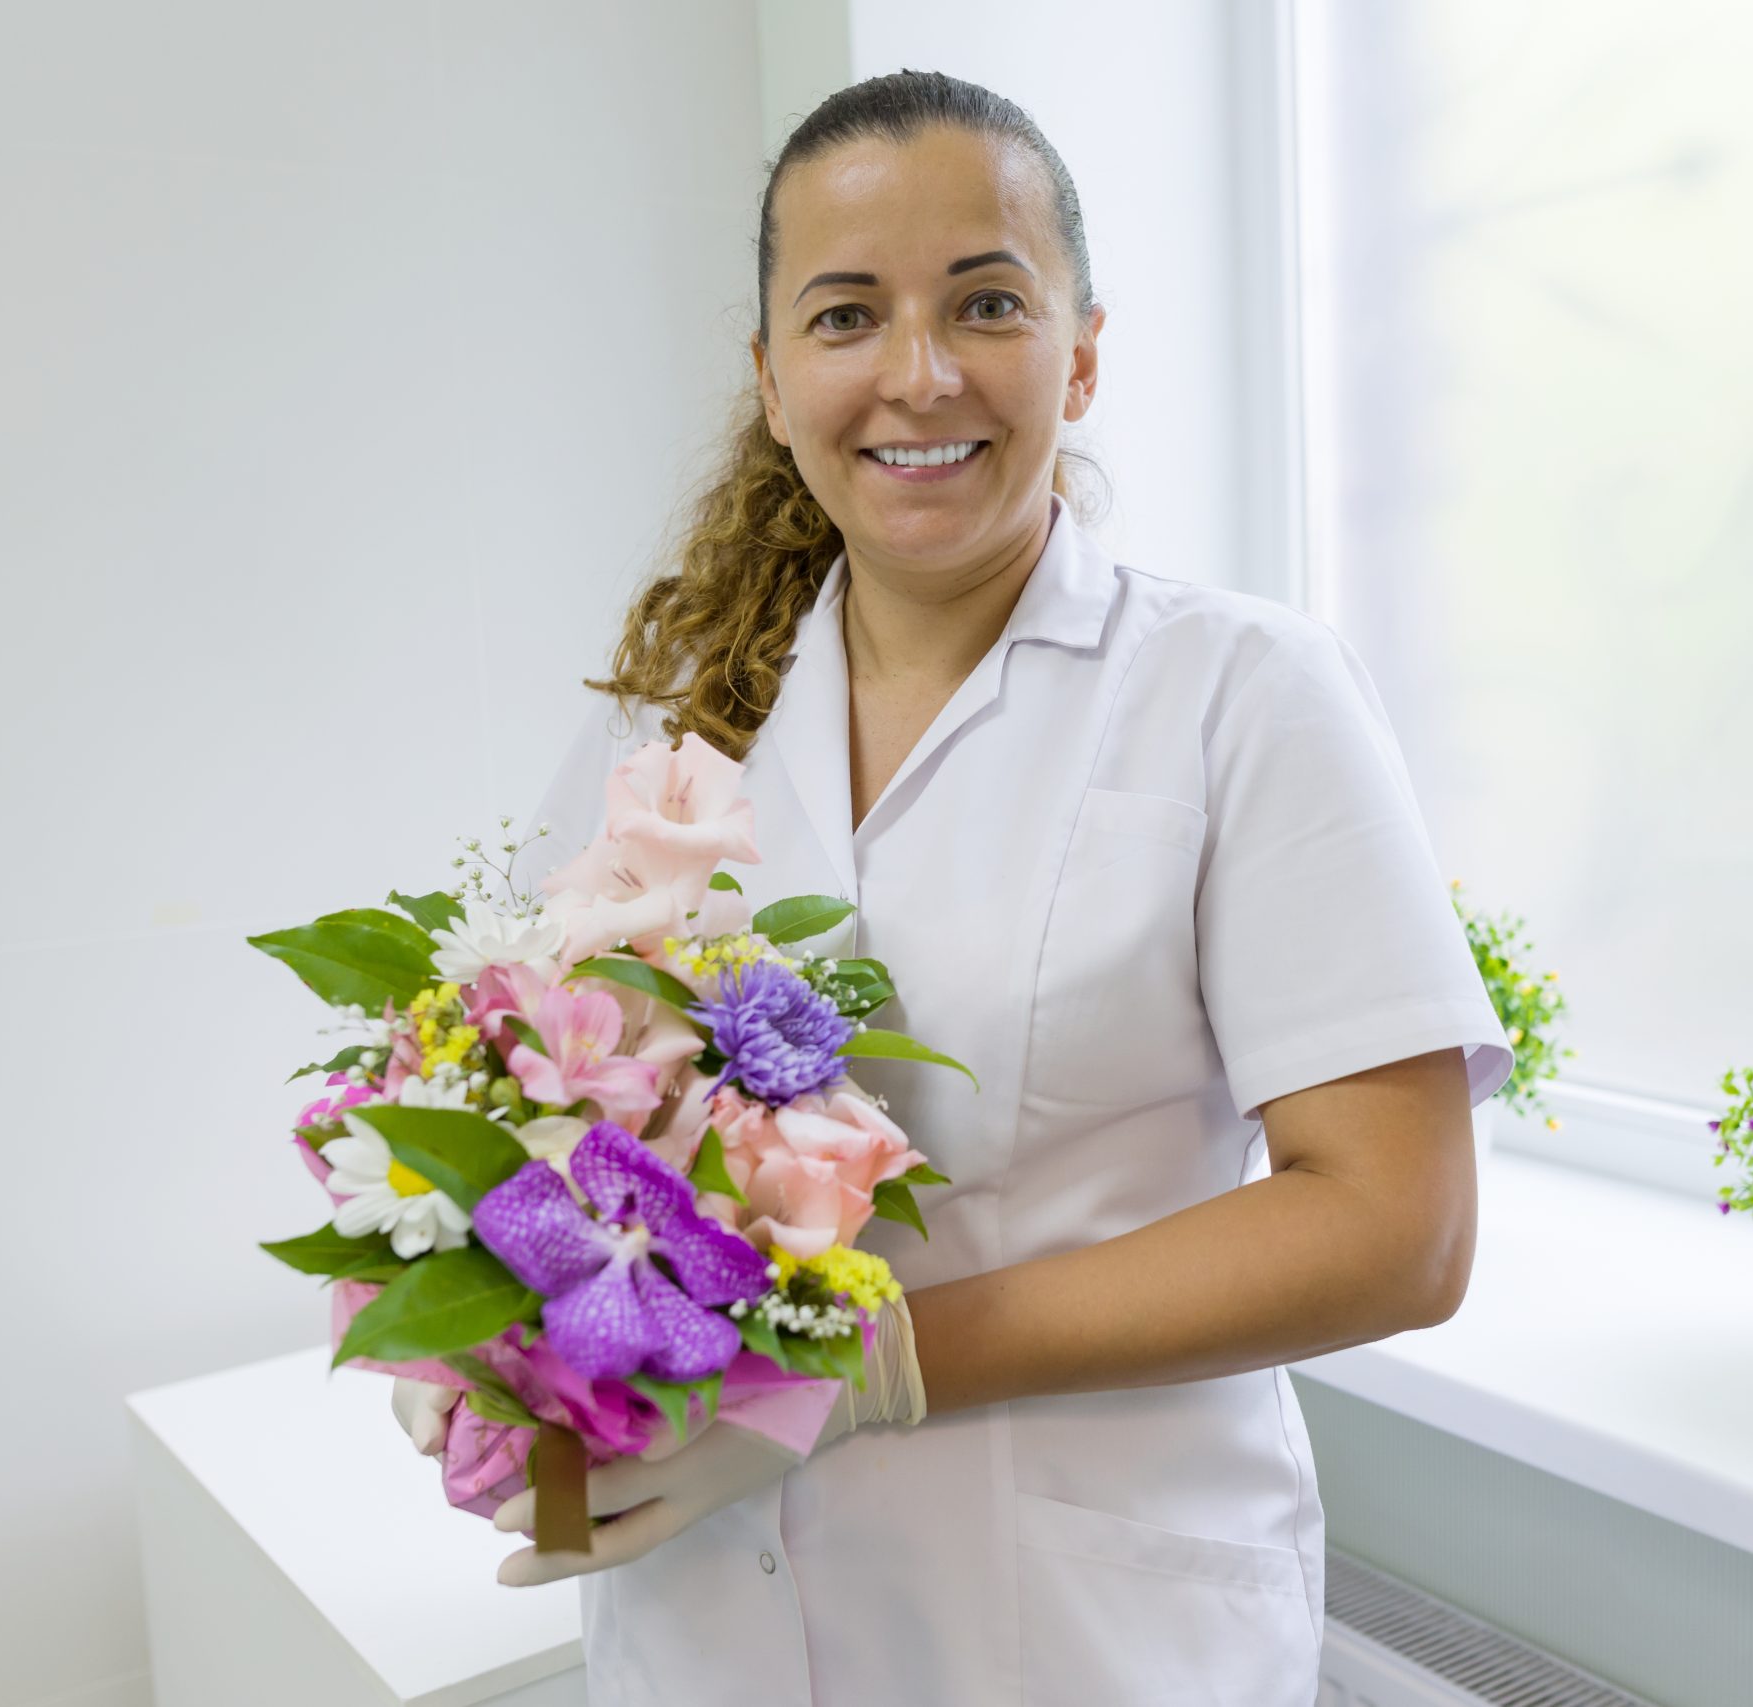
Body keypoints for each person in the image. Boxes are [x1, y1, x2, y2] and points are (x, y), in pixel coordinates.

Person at [392, 68, 1512, 1707]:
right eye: (846, 317)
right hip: (709, 1632)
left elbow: (1395, 1227)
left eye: (985, 302)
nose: (917, 374)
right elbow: (543, 1080)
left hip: (1080, 1634)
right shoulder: (685, 707)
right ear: (771, 380)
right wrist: (474, 1309)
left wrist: (871, 1368)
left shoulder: (1240, 691)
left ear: (1083, 350)